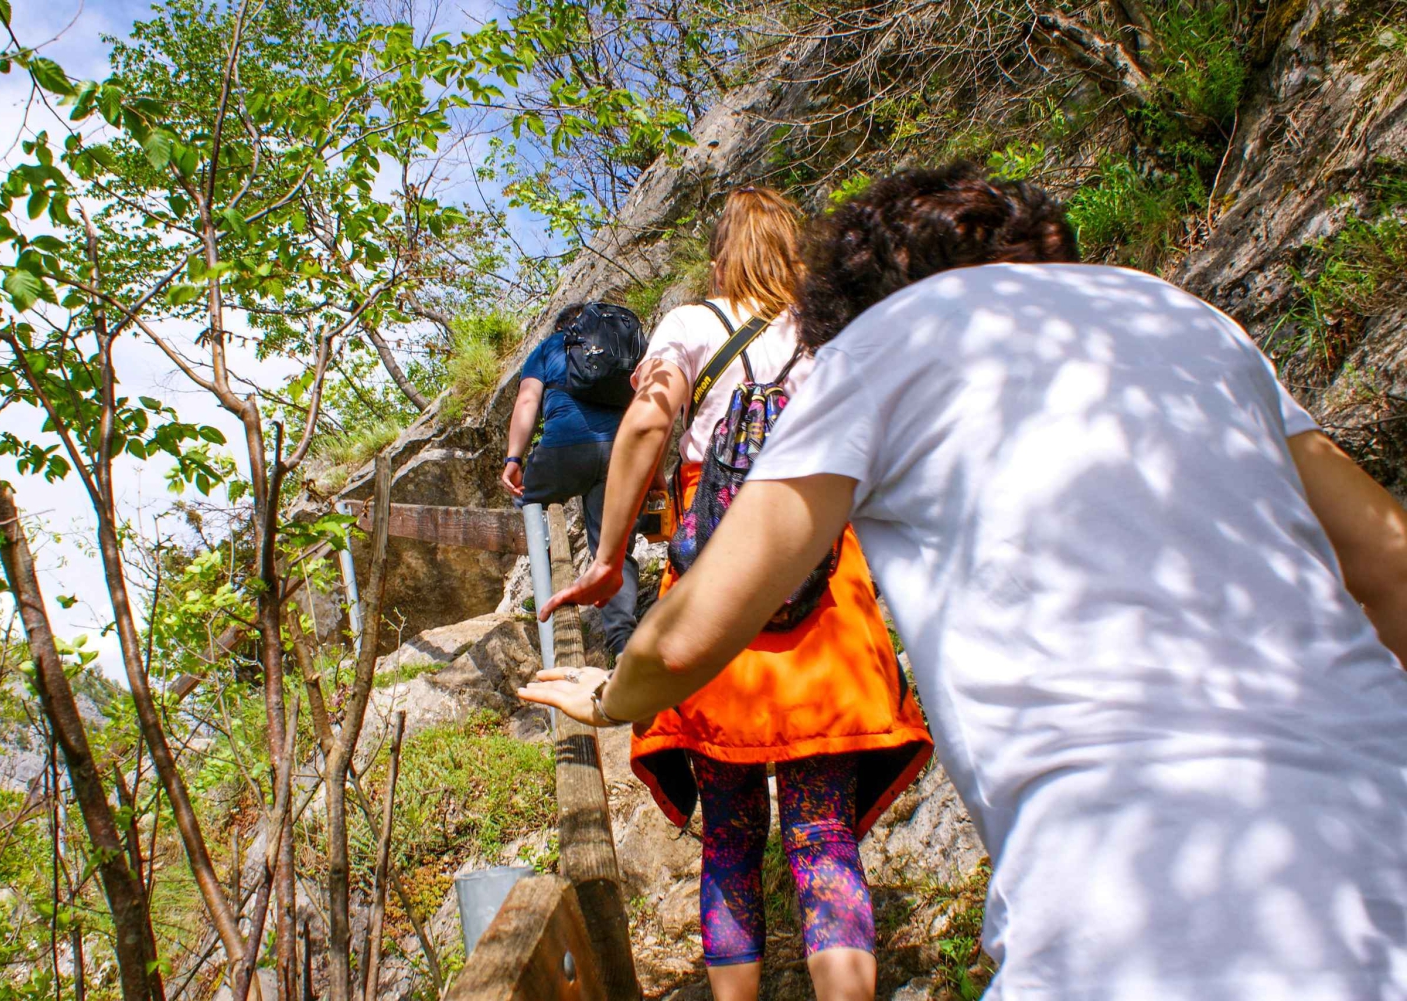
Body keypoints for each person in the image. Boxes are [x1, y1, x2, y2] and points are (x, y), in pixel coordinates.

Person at [521, 165, 1407, 1001]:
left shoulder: (882, 343)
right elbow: (1390, 563)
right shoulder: (1187, 315)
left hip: (1126, 914)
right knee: (824, 836)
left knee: (731, 840)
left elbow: (682, 629)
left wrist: (609, 693)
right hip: (1382, 843)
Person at [537, 187, 933, 1001]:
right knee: (823, 839)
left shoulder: (690, 324)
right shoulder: (832, 332)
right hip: (825, 604)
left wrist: (611, 554)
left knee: (730, 840)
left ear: (721, 254)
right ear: (794, 251)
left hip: (715, 613)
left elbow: (648, 421)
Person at [502, 303, 639, 655]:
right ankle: (622, 642)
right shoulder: (617, 351)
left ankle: (543, 592)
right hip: (620, 451)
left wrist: (514, 459)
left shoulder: (550, 347)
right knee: (613, 543)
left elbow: (527, 400)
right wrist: (650, 474)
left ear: (563, 328)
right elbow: (642, 407)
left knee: (528, 499)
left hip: (564, 448)